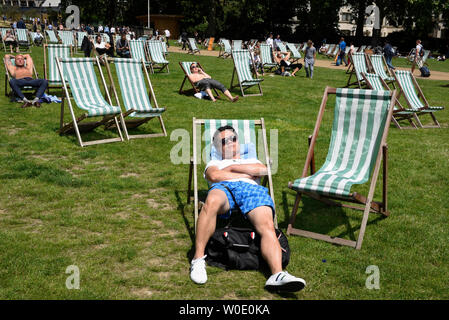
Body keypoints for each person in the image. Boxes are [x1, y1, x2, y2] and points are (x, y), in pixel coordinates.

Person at [189, 125, 306, 292]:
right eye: (224, 141)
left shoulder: (251, 159)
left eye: (233, 139)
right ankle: (198, 259)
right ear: (217, 147)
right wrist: (245, 174)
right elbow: (215, 176)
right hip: (224, 189)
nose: (230, 143)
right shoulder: (214, 162)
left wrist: (231, 168)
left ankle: (277, 275)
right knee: (212, 200)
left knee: (267, 225)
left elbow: (263, 170)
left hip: (251, 191)